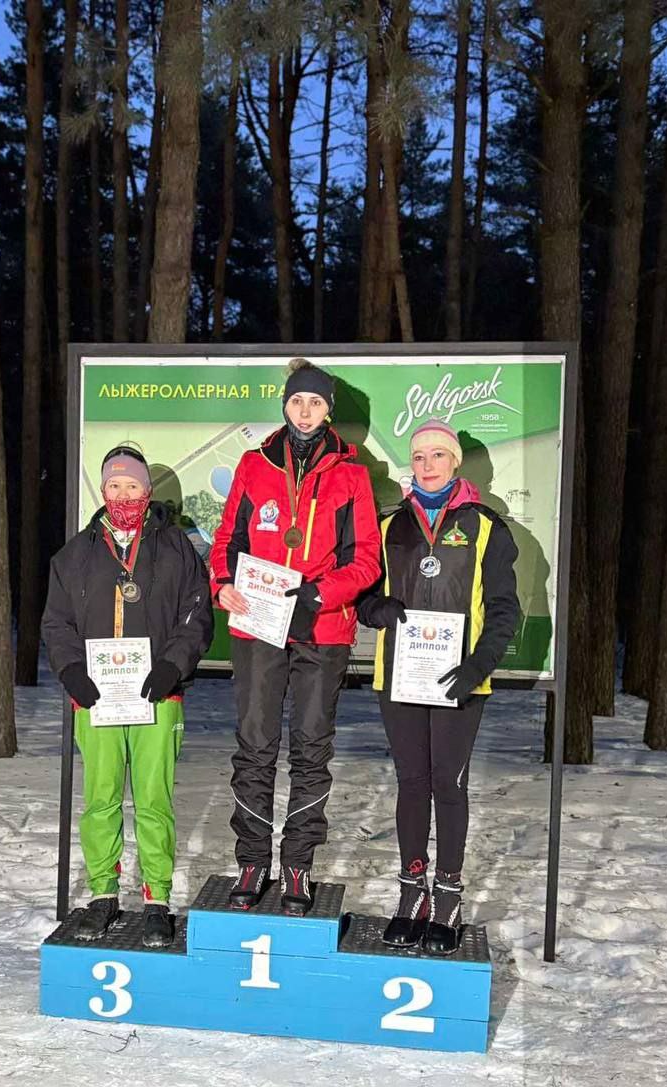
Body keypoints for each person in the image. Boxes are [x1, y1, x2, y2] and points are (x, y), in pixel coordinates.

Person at [209, 359, 381, 915]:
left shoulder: (352, 474)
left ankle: (298, 866)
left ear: (329, 410)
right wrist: (222, 584)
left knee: (311, 748)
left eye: (316, 403)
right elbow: (227, 540)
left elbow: (366, 560)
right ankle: (252, 860)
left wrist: (319, 594)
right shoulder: (254, 463)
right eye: (297, 401)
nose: (305, 412)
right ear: (285, 405)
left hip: (322, 628)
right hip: (259, 622)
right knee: (255, 745)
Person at [357, 420, 519, 953]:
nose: (427, 465)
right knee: (411, 784)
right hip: (400, 678)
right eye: (419, 456)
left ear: (455, 462)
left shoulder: (487, 527)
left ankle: (447, 894)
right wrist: (377, 609)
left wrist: (477, 669)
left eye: (438, 455)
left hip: (459, 681)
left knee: (447, 786)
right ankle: (412, 894)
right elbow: (363, 596)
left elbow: (504, 611)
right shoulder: (389, 525)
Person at [42, 445, 214, 947]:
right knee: (101, 800)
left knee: (155, 801)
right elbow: (56, 624)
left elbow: (196, 614)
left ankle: (157, 899)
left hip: (158, 695)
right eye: (114, 485)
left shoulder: (176, 547)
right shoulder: (74, 555)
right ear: (102, 490)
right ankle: (103, 894)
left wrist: (172, 665)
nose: (123, 494)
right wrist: (71, 670)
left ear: (148, 490)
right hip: (95, 699)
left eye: (132, 485)